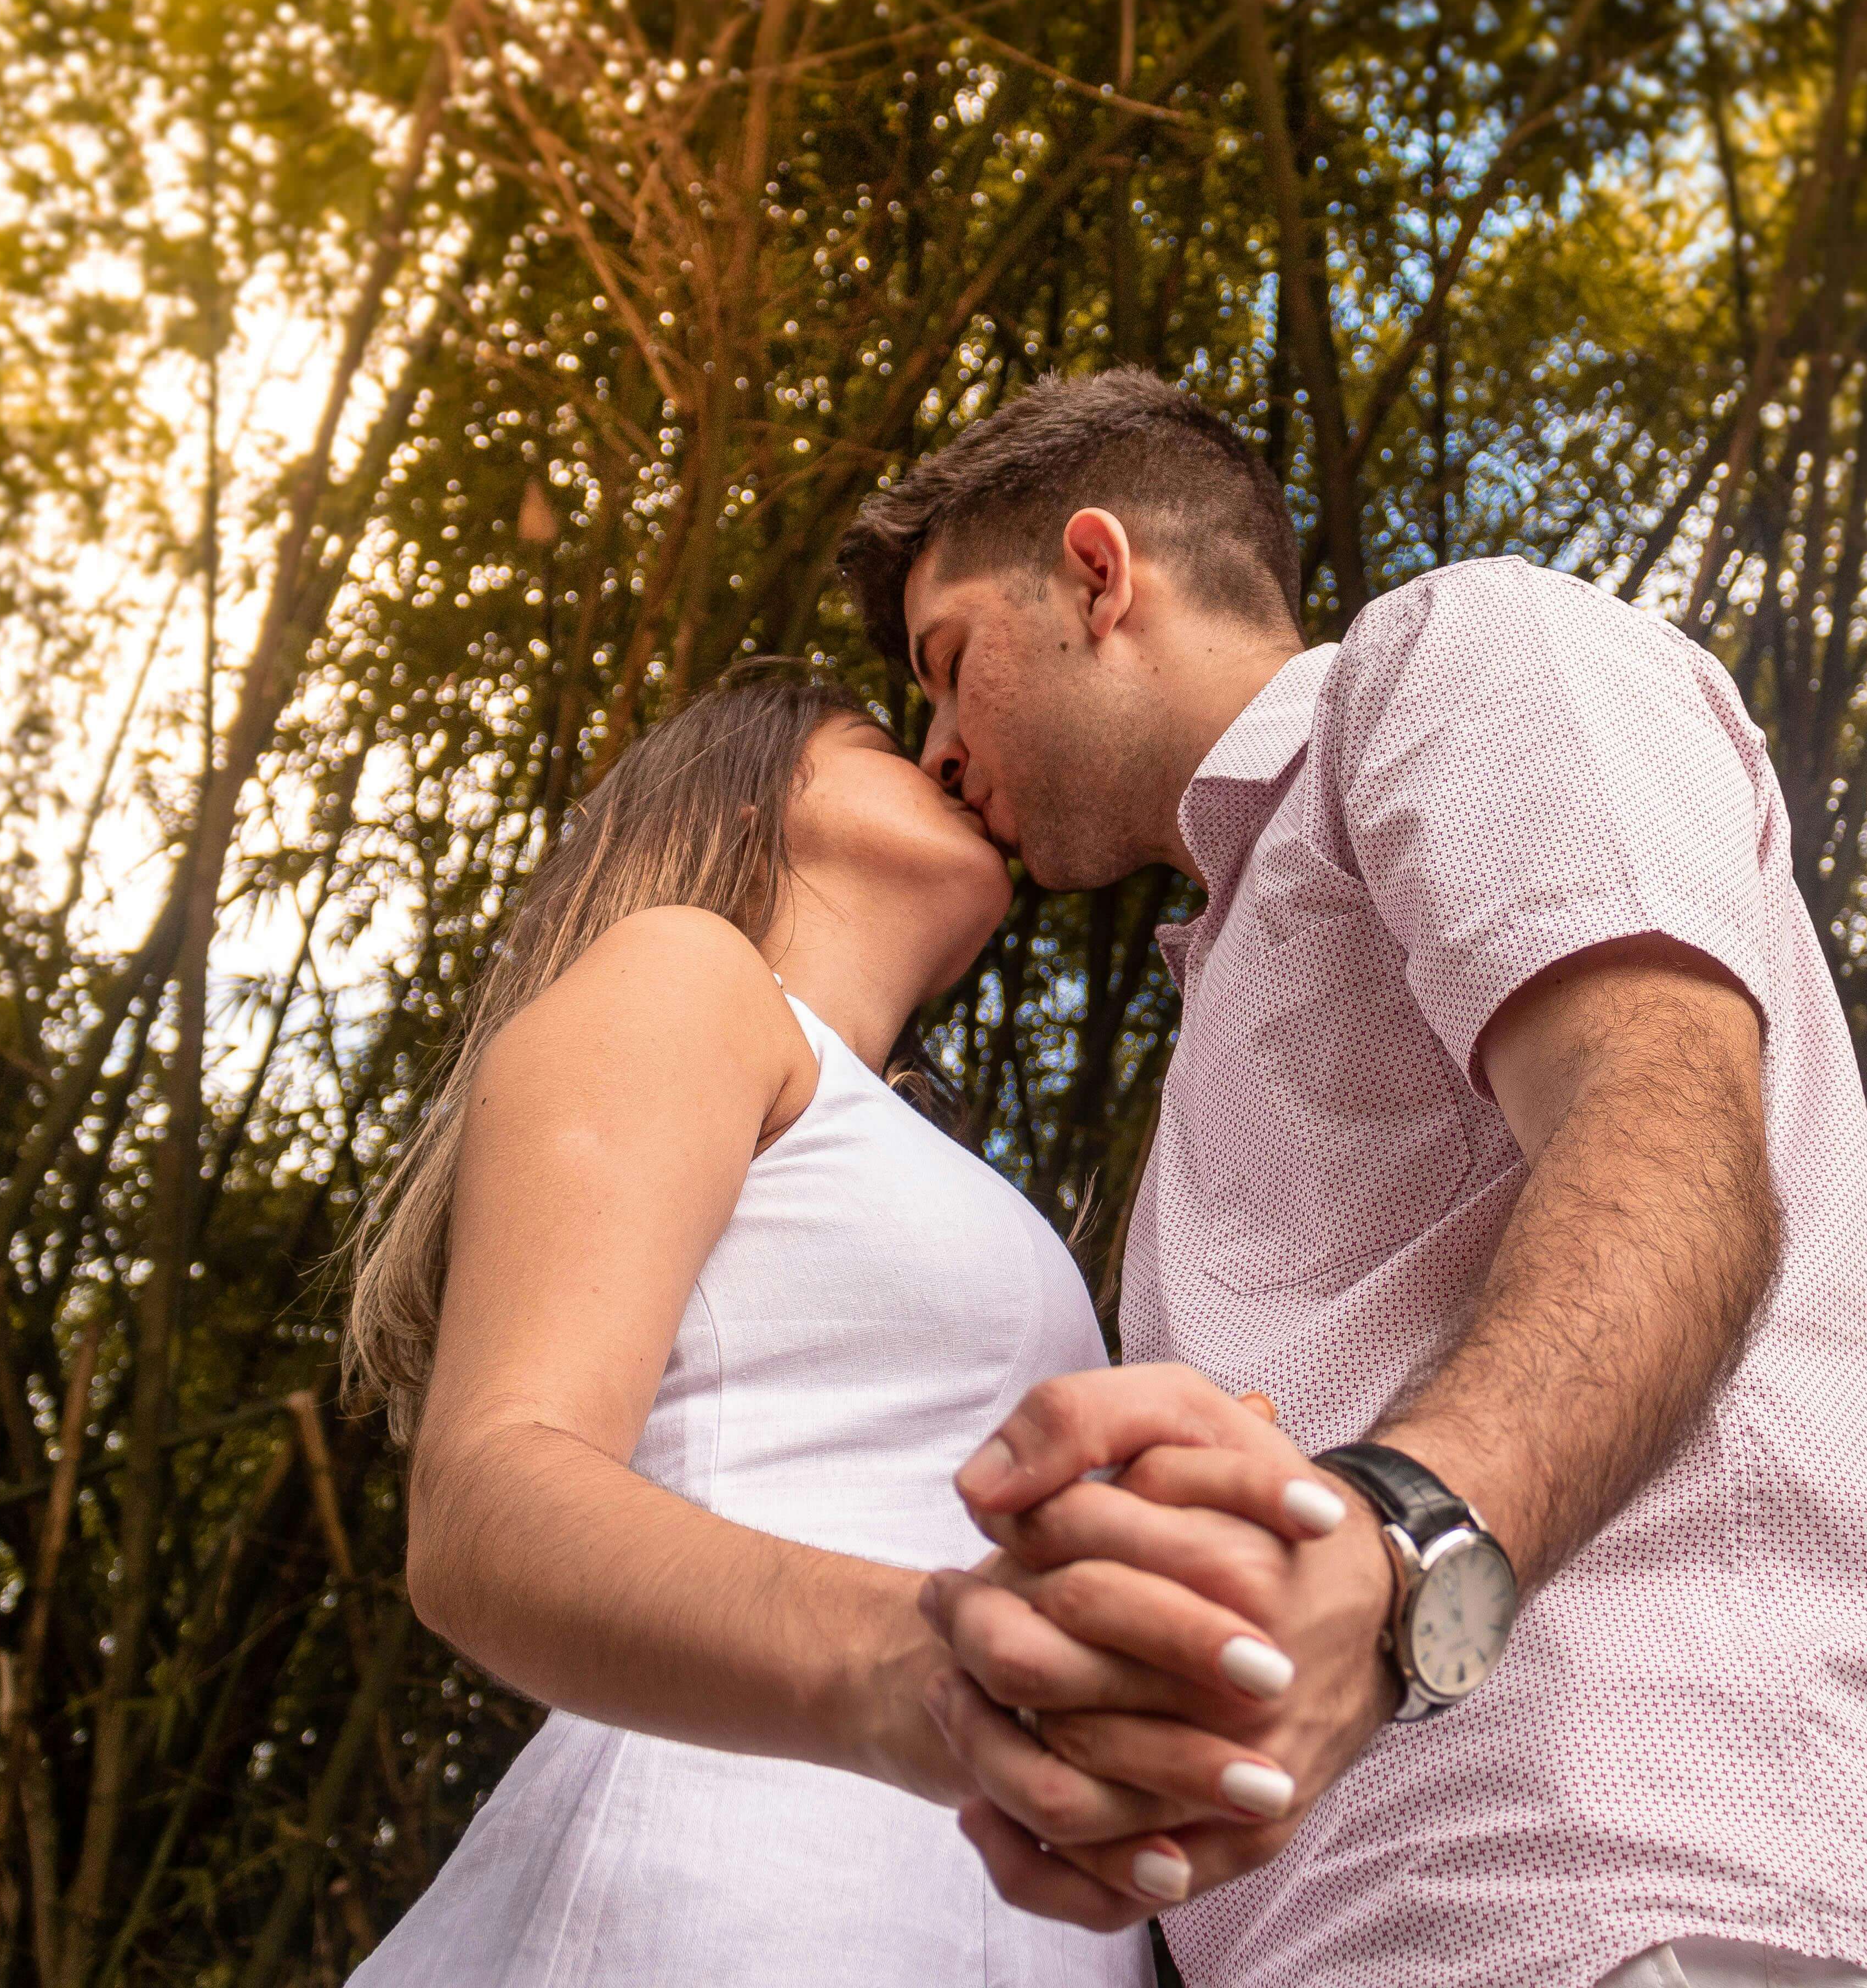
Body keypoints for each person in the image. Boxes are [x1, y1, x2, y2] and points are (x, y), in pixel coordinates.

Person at [835, 371, 1867, 1988]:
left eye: (944, 671)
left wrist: (1403, 1550)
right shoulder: (1221, 1023)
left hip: (1667, 1891)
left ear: (1096, 571)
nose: (935, 751)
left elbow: (1669, 1136)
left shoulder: (1459, 654)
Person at [340, 673, 1280, 1986]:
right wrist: (920, 1663)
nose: (954, 755)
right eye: (893, 739)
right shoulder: (688, 972)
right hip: (731, 1878)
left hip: (997, 1920)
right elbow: (489, 1492)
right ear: (753, 789)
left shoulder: (921, 1150)